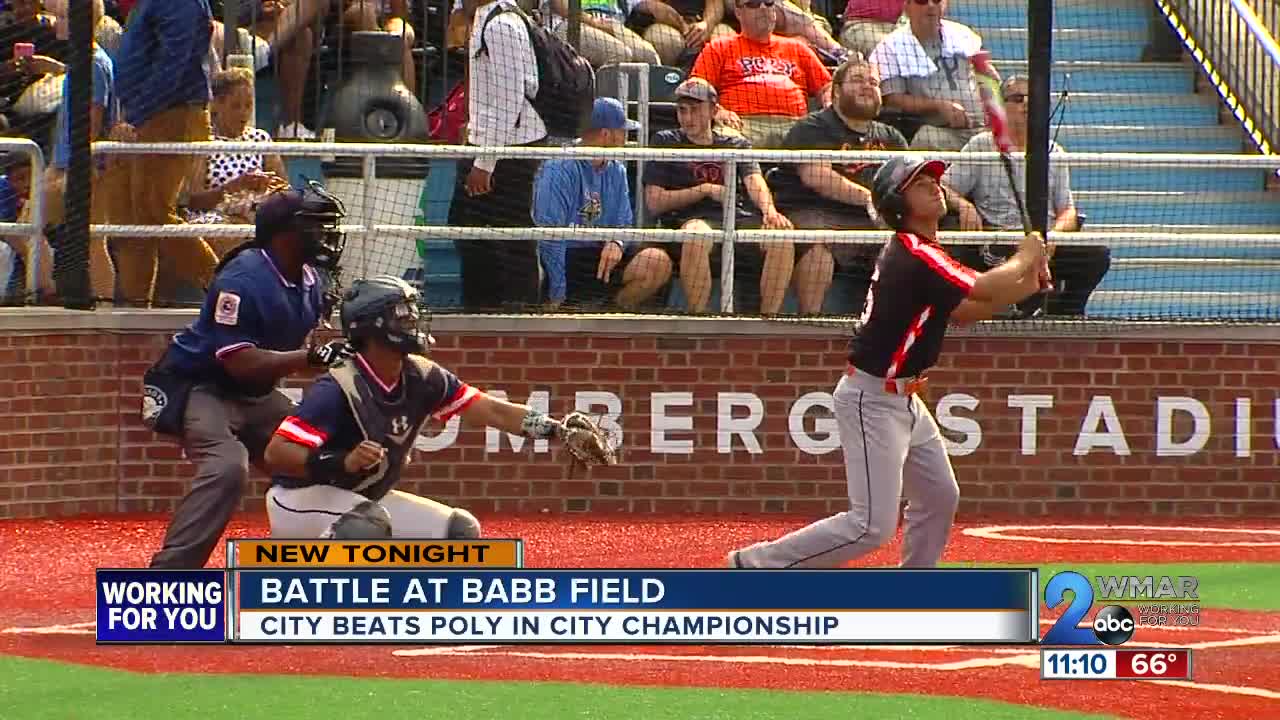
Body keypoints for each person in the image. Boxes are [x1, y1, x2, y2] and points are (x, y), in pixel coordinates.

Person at [727, 156, 1049, 569]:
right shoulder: (914, 253)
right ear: (898, 203)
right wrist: (1026, 256)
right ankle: (754, 566)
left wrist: (1028, 283)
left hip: (905, 399)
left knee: (938, 496)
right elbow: (986, 286)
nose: (934, 186)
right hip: (873, 397)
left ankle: (915, 586)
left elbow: (966, 311)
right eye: (919, 183)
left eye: (933, 179)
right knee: (870, 526)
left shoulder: (925, 253)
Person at [262, 275, 615, 538]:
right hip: (299, 500)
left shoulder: (422, 375)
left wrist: (557, 430)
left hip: (362, 499)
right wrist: (343, 461)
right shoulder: (340, 385)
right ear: (373, 326)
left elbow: (491, 410)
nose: (413, 322)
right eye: (403, 315)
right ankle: (307, 589)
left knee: (460, 533)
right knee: (366, 528)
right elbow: (277, 454)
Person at [140, 182, 355, 568]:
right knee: (226, 466)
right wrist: (308, 357)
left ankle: (323, 566)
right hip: (202, 386)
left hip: (257, 394)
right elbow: (237, 361)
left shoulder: (312, 279)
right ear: (286, 233)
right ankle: (168, 576)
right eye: (317, 226)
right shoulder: (243, 279)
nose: (327, 235)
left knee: (327, 458)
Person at [532, 98, 673, 310]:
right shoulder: (559, 168)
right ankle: (564, 306)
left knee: (657, 261)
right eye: (622, 131)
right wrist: (557, 291)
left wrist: (617, 242)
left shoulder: (617, 170)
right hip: (567, 257)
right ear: (606, 134)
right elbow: (550, 237)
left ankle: (610, 315)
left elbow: (624, 222)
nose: (626, 138)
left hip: (604, 256)